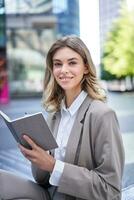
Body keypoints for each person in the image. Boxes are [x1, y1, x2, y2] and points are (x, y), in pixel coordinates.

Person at [0, 35, 125, 200]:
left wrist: (53, 165)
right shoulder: (54, 115)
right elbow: (41, 179)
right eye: (58, 64)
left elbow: (110, 189)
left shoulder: (102, 115)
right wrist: (36, 156)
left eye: (72, 62)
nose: (63, 70)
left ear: (86, 67)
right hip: (51, 194)